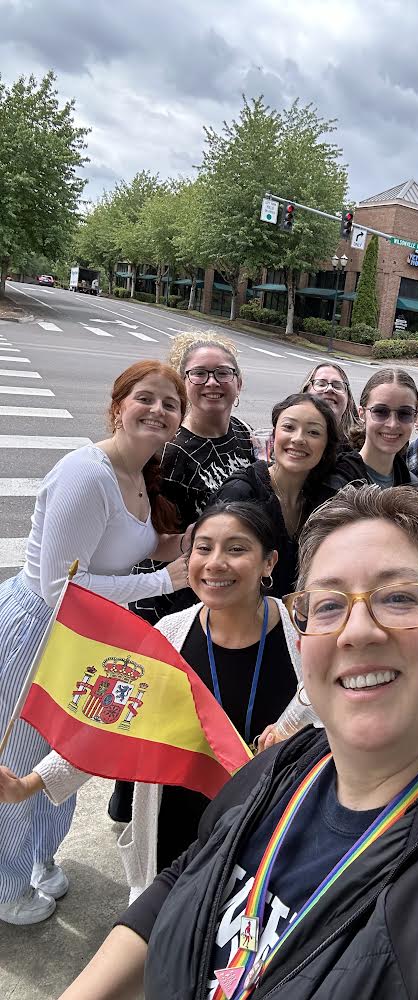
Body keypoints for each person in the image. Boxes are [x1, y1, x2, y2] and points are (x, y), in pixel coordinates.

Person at [59, 486, 418, 1000]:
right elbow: (185, 879)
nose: (358, 630)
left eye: (399, 598)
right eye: (329, 605)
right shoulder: (288, 765)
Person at [0, 502, 302, 903]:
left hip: (267, 834)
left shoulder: (306, 643)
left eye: (236, 549)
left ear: (269, 562)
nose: (215, 563)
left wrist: (296, 737)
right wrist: (28, 785)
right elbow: (110, 722)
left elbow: (337, 732)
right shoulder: (169, 634)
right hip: (176, 833)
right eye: (203, 548)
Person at [0, 361, 191, 926]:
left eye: (169, 404)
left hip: (85, 640)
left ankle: (40, 857)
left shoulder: (138, 475)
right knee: (16, 760)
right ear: (117, 406)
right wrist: (164, 581)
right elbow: (59, 586)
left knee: (66, 753)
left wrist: (194, 545)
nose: (157, 410)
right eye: (145, 398)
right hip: (39, 632)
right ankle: (7, 886)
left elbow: (133, 542)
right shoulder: (86, 473)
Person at [131, 332, 256, 626]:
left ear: (238, 383)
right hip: (174, 603)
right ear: (183, 385)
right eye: (199, 374)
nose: (212, 382)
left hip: (227, 592)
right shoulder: (167, 454)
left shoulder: (243, 433)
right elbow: (148, 544)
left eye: (223, 373)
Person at [212, 393, 340, 596]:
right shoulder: (240, 494)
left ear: (326, 447)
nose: (298, 439)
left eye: (313, 432)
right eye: (289, 427)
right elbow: (214, 572)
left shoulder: (322, 501)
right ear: (274, 436)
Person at [352, 368, 418, 488]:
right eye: (380, 411)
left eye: (404, 413)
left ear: (415, 417)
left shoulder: (413, 485)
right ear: (362, 414)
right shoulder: (337, 482)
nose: (392, 424)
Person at [300, 361, 361, 442]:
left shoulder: (362, 444)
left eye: (337, 386)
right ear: (305, 393)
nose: (330, 389)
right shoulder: (290, 435)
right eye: (321, 384)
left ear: (348, 400)